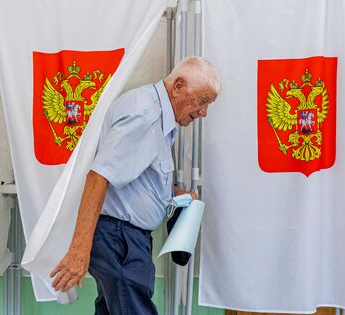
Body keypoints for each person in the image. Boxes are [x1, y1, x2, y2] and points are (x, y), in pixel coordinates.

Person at [50, 56, 221, 315]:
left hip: (123, 240)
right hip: (119, 240)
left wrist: (174, 195)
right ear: (178, 87)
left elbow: (133, 176)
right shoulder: (145, 115)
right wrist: (78, 251)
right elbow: (99, 176)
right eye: (203, 100)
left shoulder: (155, 112)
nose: (204, 112)